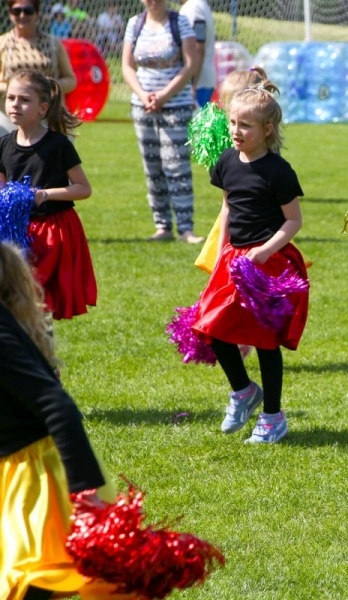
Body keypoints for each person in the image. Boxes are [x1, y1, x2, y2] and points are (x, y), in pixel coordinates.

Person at [0, 242, 129, 600]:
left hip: (38, 478)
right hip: (13, 471)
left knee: (27, 583)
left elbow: (57, 406)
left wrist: (84, 492)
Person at [191, 87, 309, 445]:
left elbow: (293, 221)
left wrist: (264, 251)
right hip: (234, 257)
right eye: (233, 122)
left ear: (267, 129)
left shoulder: (278, 171)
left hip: (269, 262)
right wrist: (220, 253)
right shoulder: (227, 161)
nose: (236, 131)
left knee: (264, 340)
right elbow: (228, 208)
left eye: (245, 125)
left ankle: (273, 417)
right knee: (212, 325)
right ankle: (243, 391)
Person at [0, 69, 95, 320]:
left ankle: (41, 342)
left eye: (24, 100)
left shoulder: (58, 145)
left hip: (52, 231)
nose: (15, 104)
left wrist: (44, 194)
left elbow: (83, 188)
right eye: (11, 98)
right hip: (16, 231)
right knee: (14, 299)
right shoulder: (4, 144)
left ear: (42, 108)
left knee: (41, 301)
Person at [122, 0, 203, 243]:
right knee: (152, 167)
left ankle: (186, 229)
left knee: (177, 166)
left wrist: (165, 95)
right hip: (143, 107)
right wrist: (142, 95)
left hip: (176, 106)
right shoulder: (135, 24)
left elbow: (191, 64)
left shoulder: (180, 23)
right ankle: (162, 227)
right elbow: (127, 66)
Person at [193, 66, 279, 275]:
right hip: (235, 221)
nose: (226, 108)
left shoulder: (270, 157)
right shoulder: (229, 149)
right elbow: (226, 193)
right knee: (227, 276)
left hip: (262, 228)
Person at [0, 0, 76, 135]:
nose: (22, 15)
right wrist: (18, 89)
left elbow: (71, 80)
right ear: (10, 14)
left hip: (49, 115)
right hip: (9, 118)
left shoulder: (53, 44)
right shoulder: (2, 43)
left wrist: (48, 86)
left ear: (37, 13)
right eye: (16, 11)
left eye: (28, 11)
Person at [179, 0, 215, 107]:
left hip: (198, 83)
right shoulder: (198, 5)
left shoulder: (194, 8)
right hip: (201, 80)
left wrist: (193, 85)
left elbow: (198, 48)